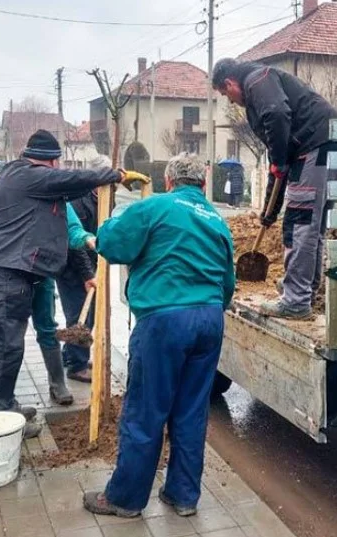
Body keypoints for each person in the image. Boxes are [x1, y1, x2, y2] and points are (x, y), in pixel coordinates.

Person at [0, 129, 147, 437]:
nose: (59, 169)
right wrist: (115, 174)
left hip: (9, 276)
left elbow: (68, 207)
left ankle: (6, 405)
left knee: (10, 347)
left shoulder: (21, 176)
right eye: (57, 163)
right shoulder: (29, 176)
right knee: (0, 347)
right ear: (50, 162)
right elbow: (70, 181)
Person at [82, 154, 236, 519]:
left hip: (164, 321)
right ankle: (183, 496)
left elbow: (113, 244)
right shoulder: (217, 220)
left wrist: (100, 231)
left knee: (146, 411)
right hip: (209, 320)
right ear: (202, 185)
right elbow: (228, 283)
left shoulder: (155, 208)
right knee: (191, 411)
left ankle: (125, 499)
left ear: (169, 181)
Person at [211, 58, 337, 320]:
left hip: (316, 147)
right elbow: (278, 165)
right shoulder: (264, 80)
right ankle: (303, 287)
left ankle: (296, 300)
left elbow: (276, 116)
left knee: (299, 223)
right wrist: (268, 213)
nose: (230, 101)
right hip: (330, 144)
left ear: (229, 83)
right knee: (311, 226)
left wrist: (281, 162)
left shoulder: (256, 82)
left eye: (226, 94)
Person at [0, 199, 96, 405]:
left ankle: (58, 383)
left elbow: (72, 231)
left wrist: (89, 240)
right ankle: (4, 402)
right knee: (7, 336)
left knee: (46, 327)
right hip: (7, 280)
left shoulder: (54, 197)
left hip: (41, 276)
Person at [55, 187, 98, 382]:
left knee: (88, 314)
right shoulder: (77, 201)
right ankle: (77, 366)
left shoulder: (103, 197)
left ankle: (70, 354)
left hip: (89, 264)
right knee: (79, 315)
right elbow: (76, 245)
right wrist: (87, 274)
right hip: (72, 267)